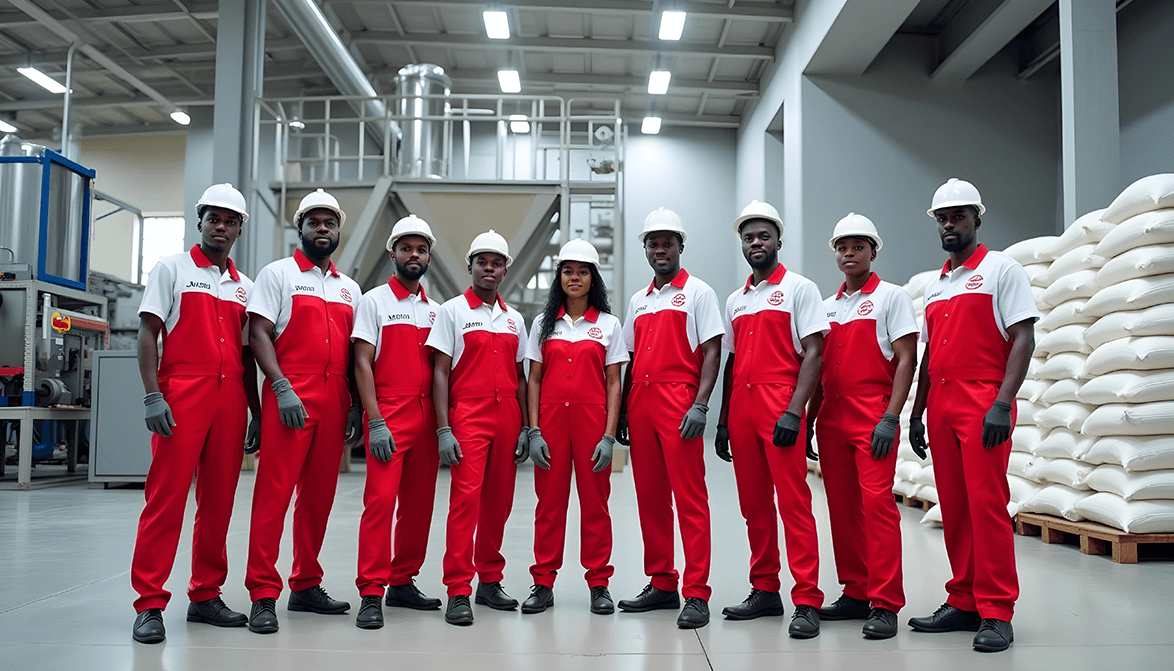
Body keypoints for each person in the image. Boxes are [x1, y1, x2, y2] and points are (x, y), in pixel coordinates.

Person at [907, 178, 1038, 653]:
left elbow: (1023, 339)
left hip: (983, 401)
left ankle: (997, 610)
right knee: (955, 507)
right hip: (940, 404)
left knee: (986, 507)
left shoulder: (1003, 270)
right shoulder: (937, 284)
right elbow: (927, 356)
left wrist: (1002, 403)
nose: (949, 223)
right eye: (942, 217)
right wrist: (917, 412)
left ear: (976, 218)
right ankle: (963, 599)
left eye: (958, 215)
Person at [130, 183, 259, 644]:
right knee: (165, 500)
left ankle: (205, 594)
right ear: (200, 221)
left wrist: (256, 411)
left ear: (240, 227)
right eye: (213, 218)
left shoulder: (245, 286)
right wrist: (152, 395)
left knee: (219, 502)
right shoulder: (172, 268)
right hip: (182, 394)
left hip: (230, 402)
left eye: (230, 220)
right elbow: (148, 333)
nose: (221, 226)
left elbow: (248, 357)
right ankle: (149, 604)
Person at [243, 188, 363, 634]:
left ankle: (306, 584)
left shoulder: (349, 287)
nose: (323, 229)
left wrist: (351, 405)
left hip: (335, 399)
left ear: (338, 231)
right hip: (289, 393)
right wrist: (280, 386)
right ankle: (261, 592)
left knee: (318, 498)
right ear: (301, 228)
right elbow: (258, 334)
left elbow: (355, 355)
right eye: (314, 222)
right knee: (273, 495)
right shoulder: (277, 274)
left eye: (330, 222)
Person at [714, 200, 828, 639]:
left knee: (794, 504)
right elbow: (731, 359)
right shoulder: (736, 299)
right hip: (742, 409)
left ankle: (806, 599)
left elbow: (815, 352)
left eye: (764, 236)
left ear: (779, 241)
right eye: (748, 237)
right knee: (754, 506)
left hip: (780, 404)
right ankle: (764, 589)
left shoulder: (800, 288)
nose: (756, 243)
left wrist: (795, 410)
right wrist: (723, 421)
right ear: (742, 245)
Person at [806, 213, 919, 640]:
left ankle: (886, 602)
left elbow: (907, 358)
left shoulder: (891, 297)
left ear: (873, 251)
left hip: (873, 413)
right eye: (842, 247)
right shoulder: (826, 306)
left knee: (877, 508)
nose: (849, 253)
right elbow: (817, 371)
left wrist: (892, 417)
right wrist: (812, 420)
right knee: (841, 508)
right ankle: (856, 591)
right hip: (832, 416)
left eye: (858, 246)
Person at [616, 208, 723, 630]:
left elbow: (713, 350)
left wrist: (700, 405)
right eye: (653, 243)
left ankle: (696, 593)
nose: (660, 249)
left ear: (680, 246)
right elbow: (626, 356)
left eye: (668, 243)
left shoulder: (699, 292)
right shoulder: (638, 300)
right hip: (641, 402)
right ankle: (662, 583)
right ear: (645, 248)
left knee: (690, 499)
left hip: (679, 401)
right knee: (651, 498)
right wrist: (624, 408)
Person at [425, 230, 530, 626]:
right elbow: (440, 372)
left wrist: (523, 426)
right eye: (482, 261)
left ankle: (489, 579)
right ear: (469, 267)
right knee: (464, 504)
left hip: (507, 418)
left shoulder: (515, 318)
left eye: (497, 262)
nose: (489, 268)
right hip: (468, 414)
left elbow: (521, 376)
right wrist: (444, 429)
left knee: (499, 504)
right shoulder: (451, 311)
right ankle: (458, 589)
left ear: (505, 270)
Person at [521, 239, 627, 616]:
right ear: (559, 277)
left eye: (583, 271)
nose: (575, 278)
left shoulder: (609, 325)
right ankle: (543, 583)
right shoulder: (542, 324)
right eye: (568, 271)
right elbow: (533, 378)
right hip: (550, 424)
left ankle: (599, 584)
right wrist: (533, 430)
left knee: (596, 505)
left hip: (592, 423)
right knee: (548, 506)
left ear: (593, 278)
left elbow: (614, 382)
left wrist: (608, 436)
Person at [351, 215, 444, 630]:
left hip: (427, 416)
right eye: (406, 248)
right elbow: (362, 363)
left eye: (421, 249)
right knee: (381, 502)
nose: (413, 255)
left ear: (428, 257)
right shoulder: (373, 301)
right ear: (393, 253)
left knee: (419, 505)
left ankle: (403, 580)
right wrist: (375, 420)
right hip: (389, 413)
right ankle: (372, 591)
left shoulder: (436, 310)